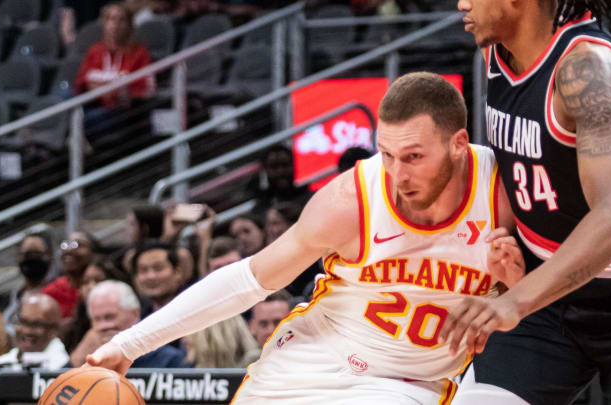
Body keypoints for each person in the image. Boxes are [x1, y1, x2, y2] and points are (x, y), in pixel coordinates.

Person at [87, 71, 524, 403]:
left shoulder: (502, 194)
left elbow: (556, 288)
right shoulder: (350, 200)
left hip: (407, 385)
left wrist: (517, 285)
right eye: (387, 154)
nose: (398, 175)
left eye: (413, 157)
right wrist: (128, 344)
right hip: (315, 358)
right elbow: (248, 280)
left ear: (458, 144)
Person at [447, 1, 611, 404]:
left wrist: (514, 301)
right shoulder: (495, 51)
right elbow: (519, 164)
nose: (461, 3)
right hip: (548, 296)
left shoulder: (589, 70)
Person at [86, 280, 185, 368]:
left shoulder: (169, 359)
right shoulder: (87, 356)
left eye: (110, 317)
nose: (103, 326)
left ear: (135, 314)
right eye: (96, 319)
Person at [75, 2, 154, 110]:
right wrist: (107, 89)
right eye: (111, 19)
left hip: (123, 113)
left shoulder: (139, 53)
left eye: (121, 20)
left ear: (129, 25)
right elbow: (82, 82)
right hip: (95, 106)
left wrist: (110, 90)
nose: (115, 24)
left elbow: (146, 88)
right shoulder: (95, 50)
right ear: (104, 23)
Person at [0, 293, 69, 370]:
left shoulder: (62, 369)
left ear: (54, 330)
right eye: (22, 322)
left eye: (36, 324)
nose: (26, 331)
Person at [1, 232, 55, 336]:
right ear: (19, 257)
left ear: (49, 256)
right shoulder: (15, 295)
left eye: (37, 254)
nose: (32, 259)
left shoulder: (58, 293)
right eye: (28, 255)